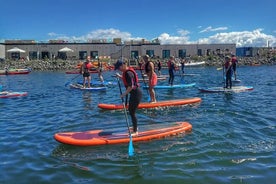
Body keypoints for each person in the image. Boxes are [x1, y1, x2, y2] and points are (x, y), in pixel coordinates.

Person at [114, 60, 142, 136]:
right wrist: (120, 76)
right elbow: (128, 81)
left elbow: (131, 86)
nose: (118, 69)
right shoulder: (126, 73)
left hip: (136, 94)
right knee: (130, 111)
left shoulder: (128, 73)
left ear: (123, 65)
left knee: (132, 112)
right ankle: (134, 127)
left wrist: (123, 94)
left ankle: (135, 131)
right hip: (134, 94)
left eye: (119, 67)